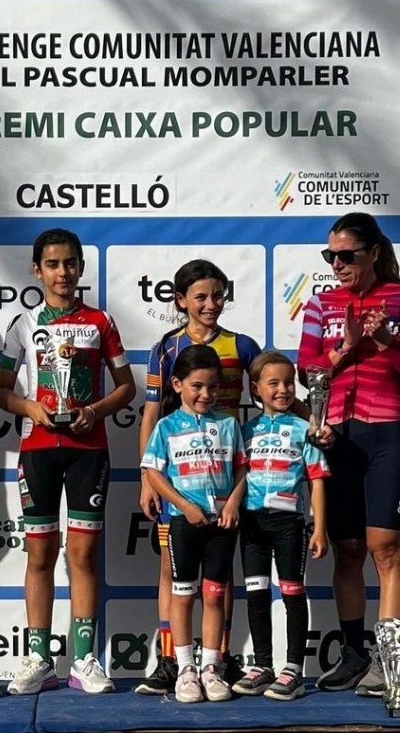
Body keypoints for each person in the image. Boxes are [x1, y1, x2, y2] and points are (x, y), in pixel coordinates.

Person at [135, 259, 327, 695]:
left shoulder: (241, 344)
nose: (211, 304)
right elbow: (151, 412)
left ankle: (216, 660)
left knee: (219, 580)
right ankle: (172, 661)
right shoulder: (165, 347)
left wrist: (314, 422)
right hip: (179, 478)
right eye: (201, 297)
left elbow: (274, 391)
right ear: (181, 300)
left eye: (218, 296)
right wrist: (146, 479)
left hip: (227, 471)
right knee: (172, 570)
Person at [0, 228, 135, 695]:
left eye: (70, 263)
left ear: (81, 267)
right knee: (39, 554)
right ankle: (39, 658)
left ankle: (84, 659)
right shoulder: (23, 324)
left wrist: (94, 411)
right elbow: (1, 391)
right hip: (37, 449)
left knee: (83, 555)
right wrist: (29, 407)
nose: (63, 272)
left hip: (87, 450)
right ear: (37, 270)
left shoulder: (100, 322)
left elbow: (126, 387)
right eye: (53, 264)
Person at [297, 212, 400, 696]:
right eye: (330, 256)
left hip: (385, 434)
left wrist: (386, 342)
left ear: (373, 252)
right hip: (337, 438)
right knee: (348, 549)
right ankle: (354, 653)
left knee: (385, 548)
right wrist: (347, 347)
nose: (337, 264)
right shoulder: (321, 303)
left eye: (346, 255)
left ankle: (389, 660)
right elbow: (306, 371)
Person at [140, 344, 246, 703]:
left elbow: (242, 468)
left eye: (213, 386)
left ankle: (211, 667)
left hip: (221, 524)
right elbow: (153, 472)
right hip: (183, 523)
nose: (205, 394)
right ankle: (185, 669)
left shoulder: (228, 424)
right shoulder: (166, 426)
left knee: (214, 595)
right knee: (182, 596)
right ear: (177, 384)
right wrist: (184, 506)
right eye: (197, 386)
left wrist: (233, 502)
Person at [233, 351, 329, 701]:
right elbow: (237, 477)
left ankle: (293, 670)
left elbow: (317, 480)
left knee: (292, 594)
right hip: (252, 522)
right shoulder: (245, 430)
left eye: (289, 382)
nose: (283, 389)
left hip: (289, 522)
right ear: (255, 388)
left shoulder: (306, 430)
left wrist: (319, 526)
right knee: (256, 594)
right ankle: (262, 665)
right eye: (273, 383)